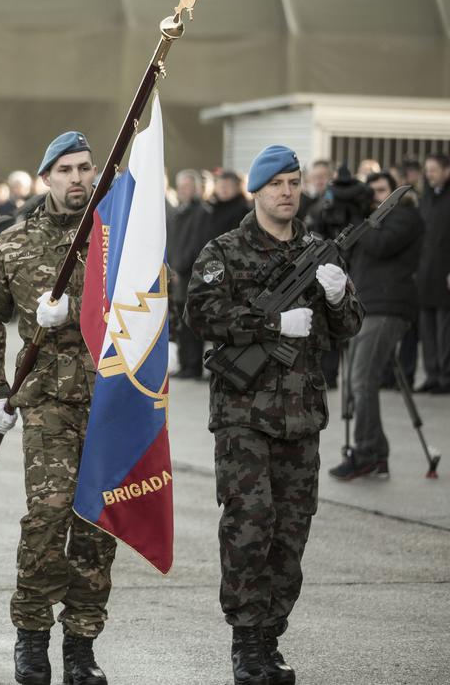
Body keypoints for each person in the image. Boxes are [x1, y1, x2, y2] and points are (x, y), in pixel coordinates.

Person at [187, 144, 363, 685]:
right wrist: (269, 326)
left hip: (302, 417)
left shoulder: (319, 250)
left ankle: (269, 640)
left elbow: (348, 326)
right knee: (249, 525)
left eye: (293, 183)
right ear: (256, 192)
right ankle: (245, 644)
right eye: (276, 184)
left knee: (290, 534)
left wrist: (337, 296)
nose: (287, 192)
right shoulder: (225, 251)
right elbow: (200, 313)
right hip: (243, 416)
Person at [0, 130, 115, 685]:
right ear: (46, 177)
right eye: (67, 170)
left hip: (109, 402)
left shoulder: (114, 237)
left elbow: (142, 302)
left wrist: (79, 312)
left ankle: (81, 643)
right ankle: (32, 637)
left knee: (97, 526)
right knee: (49, 517)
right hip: (48, 399)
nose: (78, 179)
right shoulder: (13, 244)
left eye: (85, 169)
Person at [329, 172, 423, 480]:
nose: (376, 197)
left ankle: (367, 452)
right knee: (356, 381)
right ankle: (376, 453)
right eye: (371, 192)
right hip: (367, 305)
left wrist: (359, 218)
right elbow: (349, 250)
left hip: (389, 306)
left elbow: (381, 244)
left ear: (396, 192)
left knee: (362, 380)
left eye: (382, 190)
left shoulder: (406, 216)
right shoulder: (370, 219)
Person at [167, 169, 210, 379]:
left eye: (187, 186)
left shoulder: (201, 212)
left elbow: (196, 244)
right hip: (177, 273)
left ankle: (193, 366)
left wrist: (180, 267)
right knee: (180, 321)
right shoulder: (178, 212)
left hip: (189, 274)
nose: (183, 190)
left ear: (196, 188)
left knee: (191, 320)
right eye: (181, 187)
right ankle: (185, 364)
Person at [415, 153, 450, 394]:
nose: (429, 174)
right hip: (424, 271)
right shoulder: (426, 197)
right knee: (426, 326)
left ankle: (446, 376)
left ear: (447, 170)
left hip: (445, 272)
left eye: (434, 170)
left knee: (444, 328)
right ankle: (432, 374)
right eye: (427, 170)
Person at [206, 170, 252, 242]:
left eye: (228, 186)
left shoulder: (243, 211)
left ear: (237, 187)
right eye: (221, 185)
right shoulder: (211, 209)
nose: (223, 189)